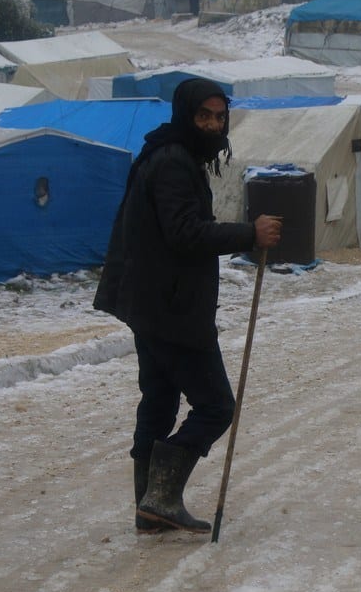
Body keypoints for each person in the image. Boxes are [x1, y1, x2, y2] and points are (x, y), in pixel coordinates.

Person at [94, 77, 283, 534]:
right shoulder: (174, 162)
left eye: (220, 117)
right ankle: (160, 498)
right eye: (204, 116)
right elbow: (184, 233)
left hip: (152, 302)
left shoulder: (167, 153)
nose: (214, 126)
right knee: (216, 406)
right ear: (185, 115)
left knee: (159, 402)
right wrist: (249, 233)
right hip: (172, 308)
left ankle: (149, 509)